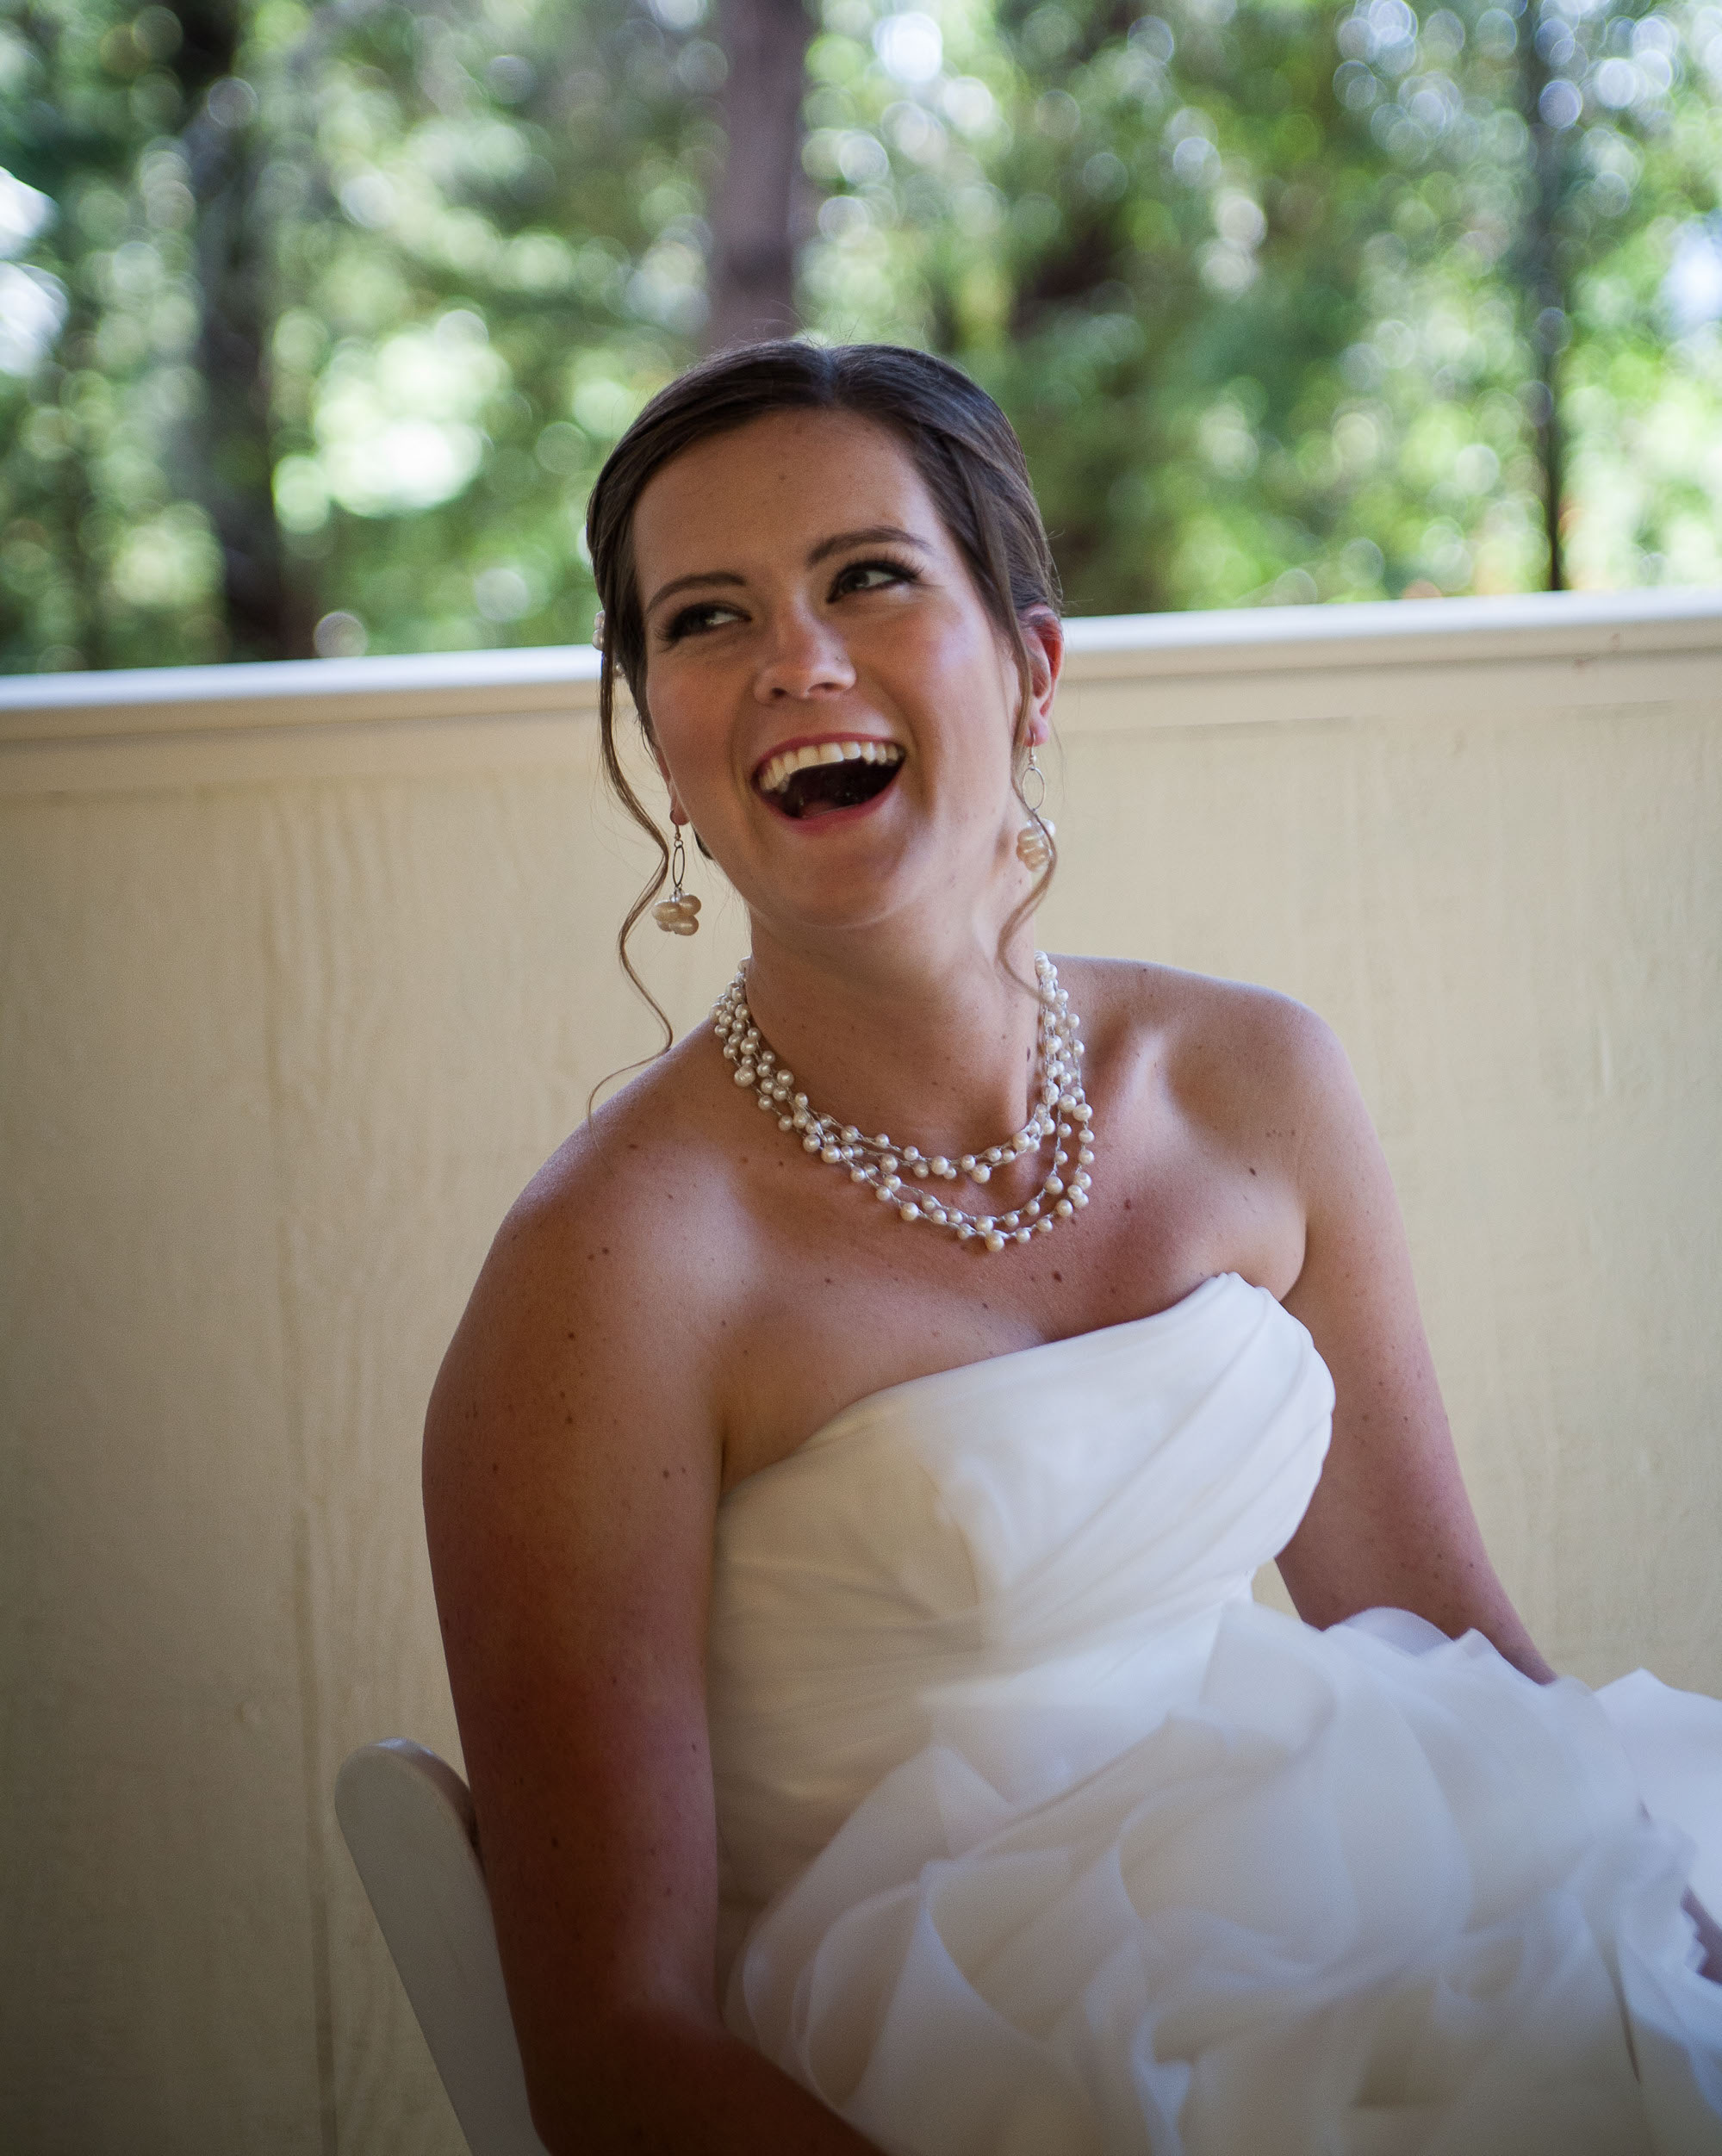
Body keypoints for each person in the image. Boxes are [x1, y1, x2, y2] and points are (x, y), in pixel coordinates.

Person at [423, 340, 1722, 2156]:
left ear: (1031, 669)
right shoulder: (616, 1269)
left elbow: (1439, 1636)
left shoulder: (1253, 1080)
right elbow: (607, 2050)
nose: (796, 659)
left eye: (867, 577)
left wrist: (1652, 1915)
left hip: (1354, 1930)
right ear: (660, 739)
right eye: (706, 619)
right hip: (949, 2086)